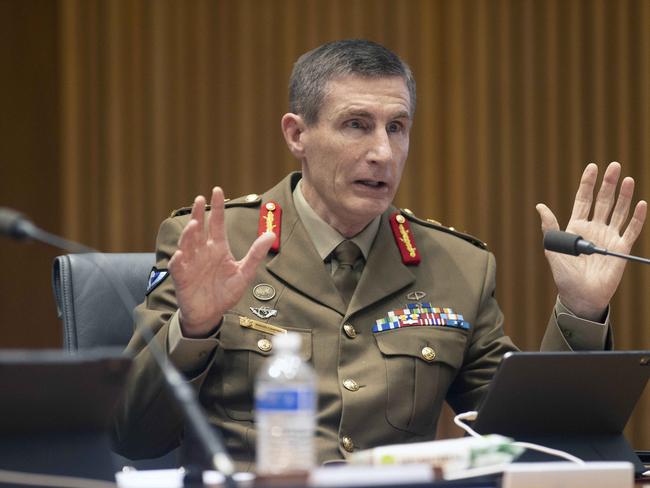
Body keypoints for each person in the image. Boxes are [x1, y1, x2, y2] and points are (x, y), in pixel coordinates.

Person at [112, 39, 647, 469]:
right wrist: (196, 328)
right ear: (297, 134)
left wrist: (580, 312)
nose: (383, 153)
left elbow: (533, 444)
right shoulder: (213, 242)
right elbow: (132, 436)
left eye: (397, 127)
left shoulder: (457, 265)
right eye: (356, 125)